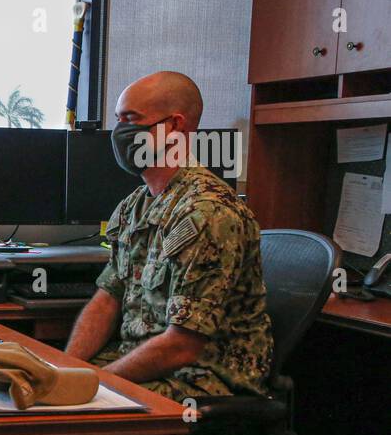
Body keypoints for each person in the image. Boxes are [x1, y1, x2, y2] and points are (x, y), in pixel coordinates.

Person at [65, 71, 273, 403]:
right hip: (140, 363)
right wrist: (66, 369)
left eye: (132, 119)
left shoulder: (207, 213)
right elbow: (108, 297)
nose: (121, 132)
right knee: (30, 387)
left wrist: (94, 384)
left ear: (174, 127)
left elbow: (182, 346)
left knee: (60, 417)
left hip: (200, 381)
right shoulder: (134, 205)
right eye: (119, 120)